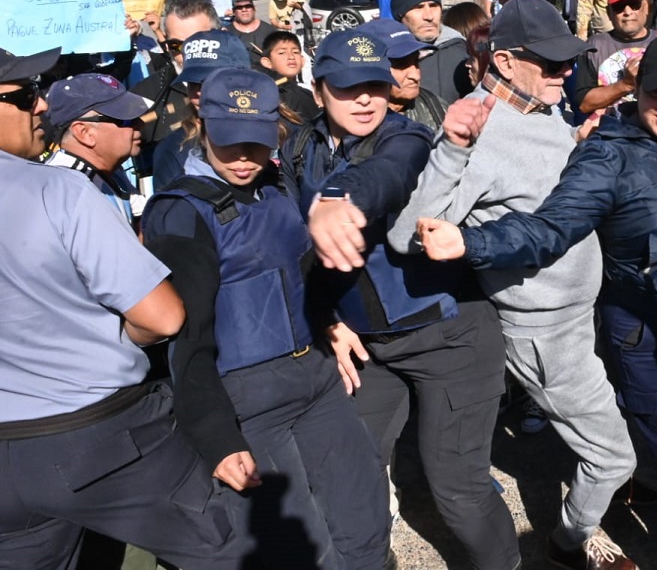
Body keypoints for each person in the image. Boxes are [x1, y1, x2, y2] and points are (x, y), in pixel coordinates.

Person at [418, 30, 657, 570]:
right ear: (636, 90)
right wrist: (472, 241)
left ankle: (648, 480)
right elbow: (552, 227)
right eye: (656, 92)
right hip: (650, 329)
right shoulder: (609, 156)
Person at [390, 0, 638, 570]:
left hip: (578, 313)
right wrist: (452, 149)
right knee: (613, 457)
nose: (565, 74)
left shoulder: (543, 107)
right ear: (503, 61)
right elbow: (408, 235)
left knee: (601, 440)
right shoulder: (478, 128)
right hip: (543, 330)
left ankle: (581, 525)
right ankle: (574, 541)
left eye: (568, 62)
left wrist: (576, 145)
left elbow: (539, 184)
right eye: (550, 64)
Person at [279, 27, 520, 570]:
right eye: (345, 87)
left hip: (450, 339)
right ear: (318, 91)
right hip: (370, 347)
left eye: (373, 84)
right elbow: (300, 251)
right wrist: (324, 319)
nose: (364, 98)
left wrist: (339, 198)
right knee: (351, 472)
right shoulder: (300, 147)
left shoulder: (407, 138)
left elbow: (387, 174)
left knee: (458, 489)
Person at [0, 47, 243, 570]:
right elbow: (162, 317)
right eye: (23, 97)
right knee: (226, 550)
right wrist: (116, 337)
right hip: (94, 434)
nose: (41, 107)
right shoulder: (58, 189)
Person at [141, 67, 391, 570]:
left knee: (366, 515)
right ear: (201, 122)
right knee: (301, 547)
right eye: (229, 141)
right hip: (247, 402)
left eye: (255, 142)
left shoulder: (276, 185)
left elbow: (300, 275)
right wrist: (217, 439)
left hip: (316, 379)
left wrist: (330, 322)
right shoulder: (180, 211)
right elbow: (186, 339)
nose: (242, 156)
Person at [45, 72, 153, 225]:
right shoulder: (66, 191)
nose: (140, 124)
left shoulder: (110, 171)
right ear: (84, 132)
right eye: (125, 119)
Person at [152, 30, 251, 190]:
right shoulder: (173, 149)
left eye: (208, 82)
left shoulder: (281, 134)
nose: (199, 93)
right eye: (192, 84)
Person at [133, 0, 221, 164]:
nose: (188, 51)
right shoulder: (144, 94)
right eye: (176, 45)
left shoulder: (254, 82)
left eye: (197, 42)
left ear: (222, 36)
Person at [573, 0, 657, 117]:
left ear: (645, 6)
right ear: (609, 12)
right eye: (619, 6)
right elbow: (584, 104)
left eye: (634, 4)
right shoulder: (594, 47)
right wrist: (625, 84)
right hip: (609, 134)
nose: (627, 12)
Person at [390, 0, 473, 101]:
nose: (428, 16)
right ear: (400, 14)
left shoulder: (461, 52)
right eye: (418, 7)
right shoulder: (385, 56)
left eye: (433, 6)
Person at [258, 30, 321, 123]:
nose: (291, 56)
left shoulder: (308, 91)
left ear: (302, 60)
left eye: (295, 52)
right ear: (267, 62)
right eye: (282, 53)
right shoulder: (265, 92)